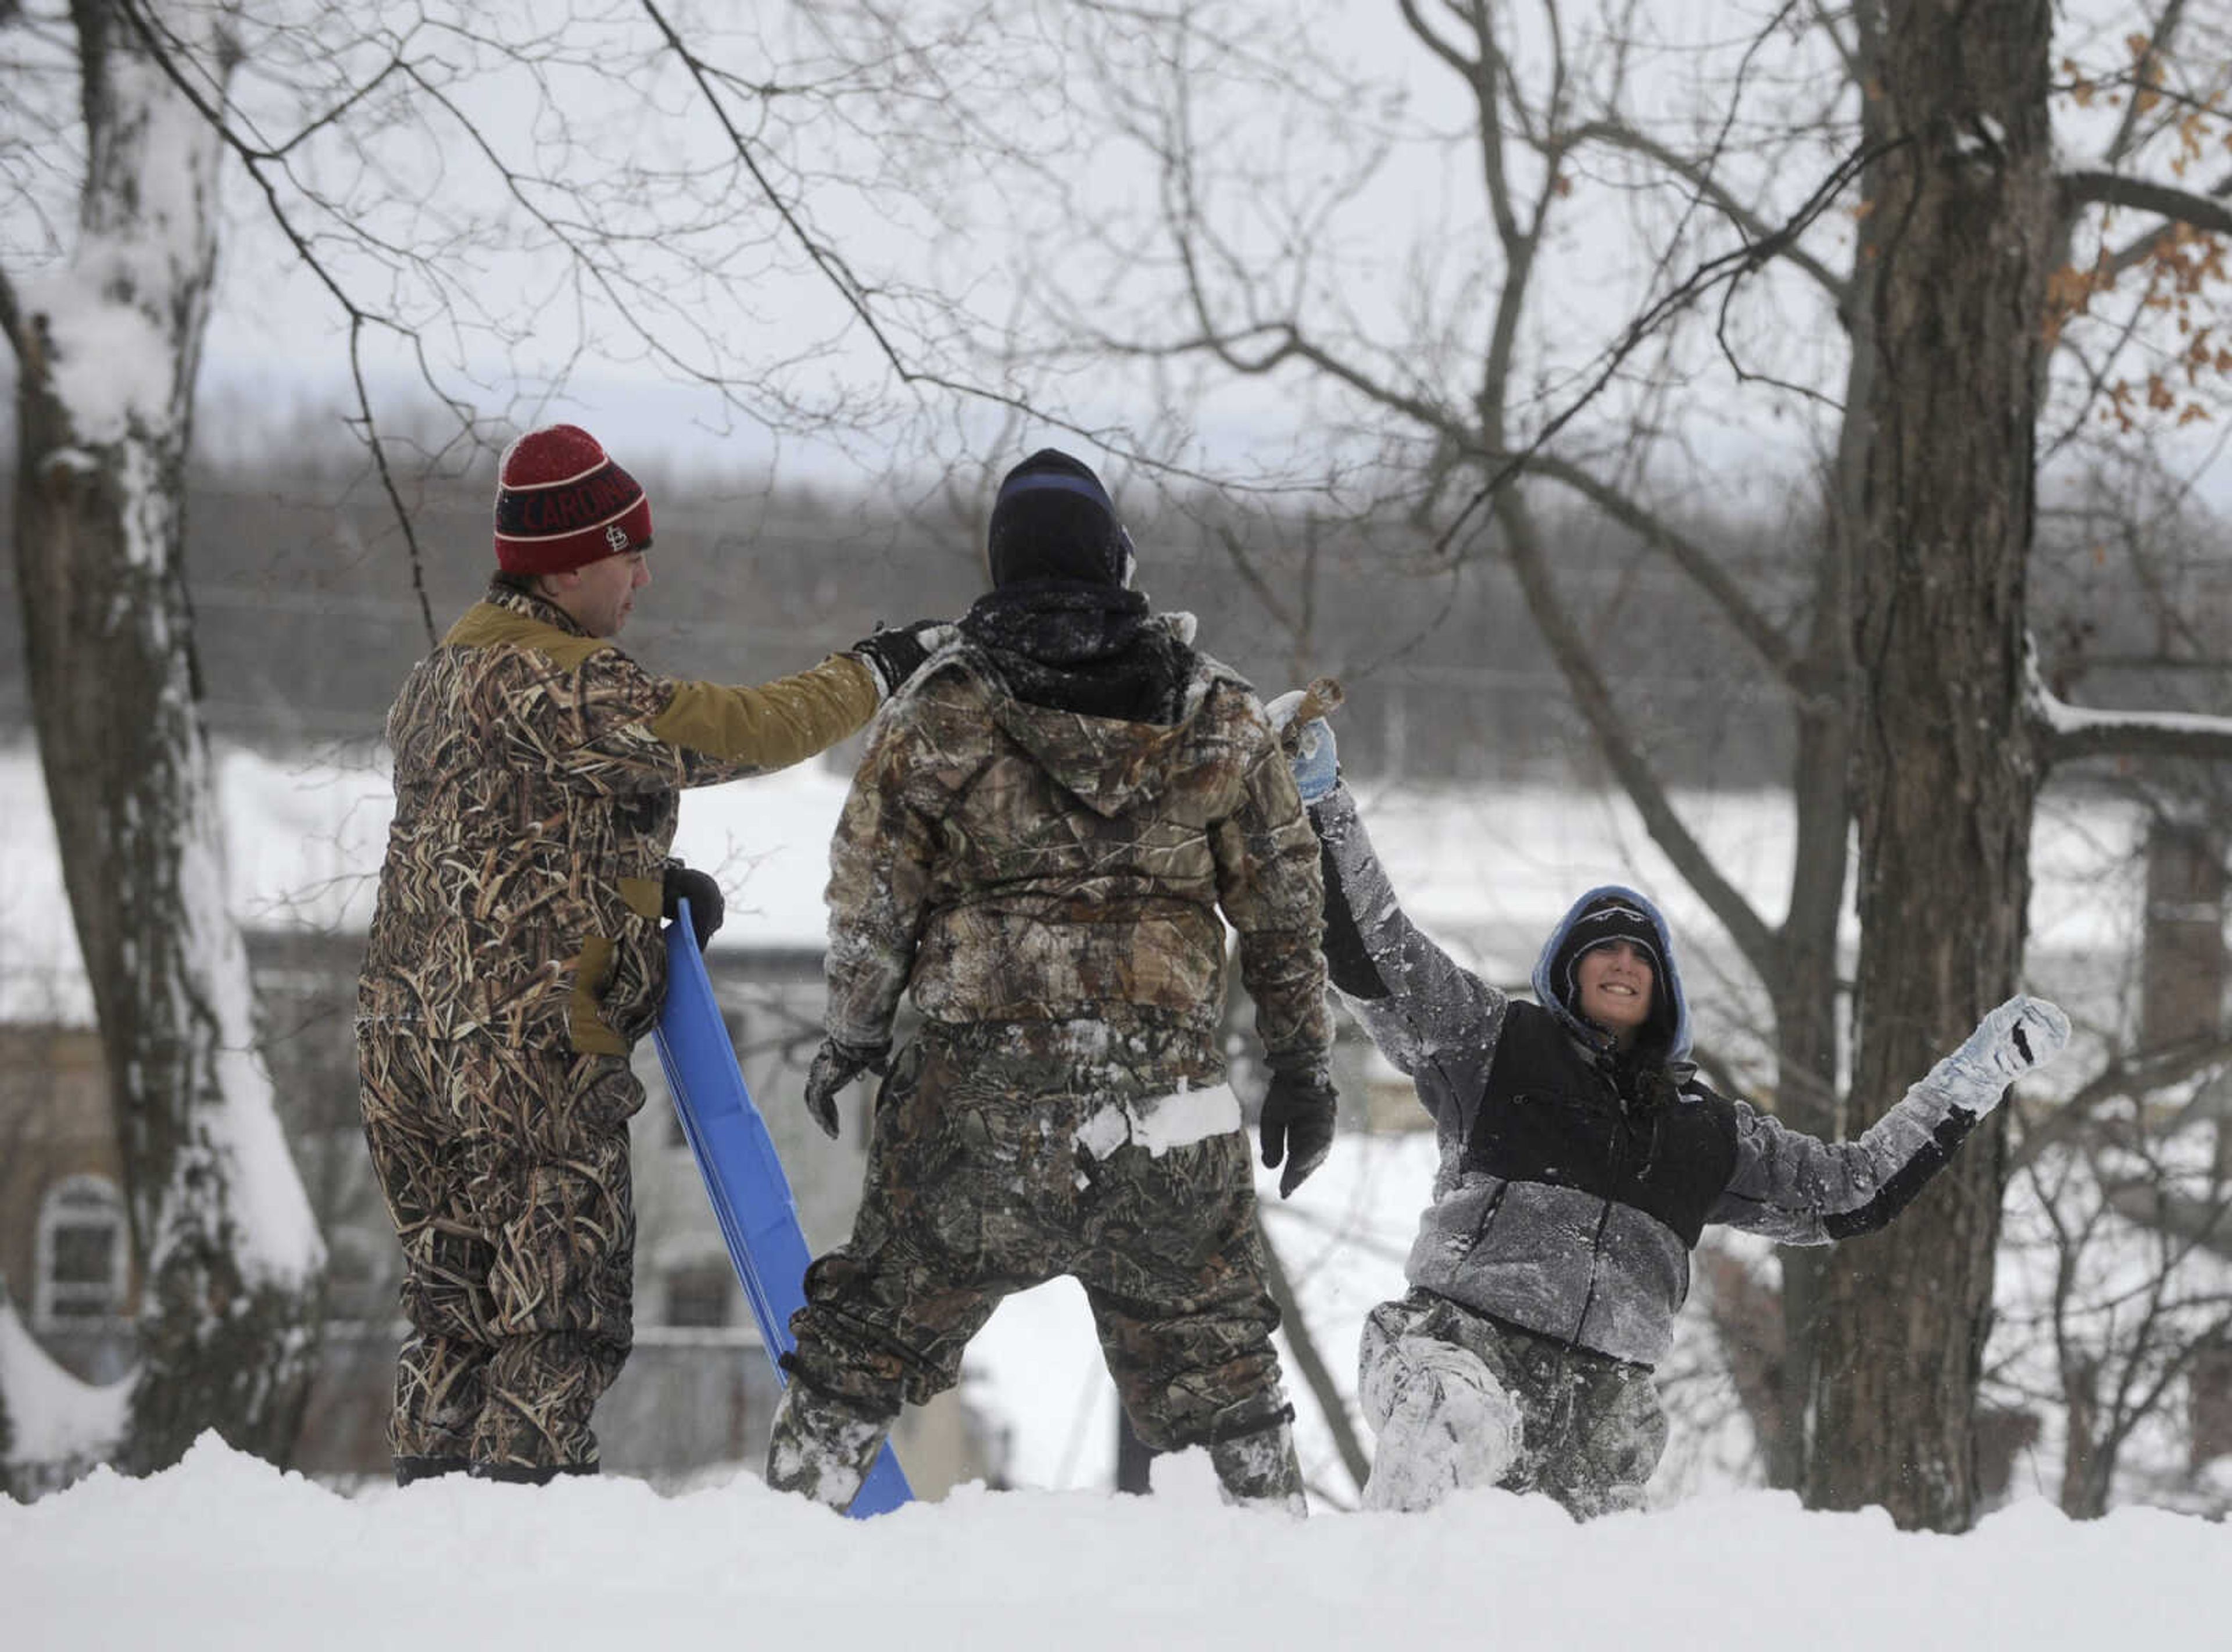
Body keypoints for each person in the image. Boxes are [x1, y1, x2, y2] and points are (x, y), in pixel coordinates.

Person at [1268, 700, 2072, 1518]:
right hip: (1460, 1348)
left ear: (1662, 989)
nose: (1621, 961)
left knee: (1597, 1585)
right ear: (1569, 973)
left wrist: (1972, 1080)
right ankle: (1397, 1601)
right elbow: (1377, 951)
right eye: (1602, 948)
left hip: (1601, 1408)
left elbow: (1854, 1187)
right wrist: (1315, 800)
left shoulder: (1706, 1134)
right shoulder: (1497, 1043)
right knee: (1451, 1425)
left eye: (1638, 953)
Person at [356, 423, 945, 1485]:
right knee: (557, 1322)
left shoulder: (432, 683)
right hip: (525, 1064)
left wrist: (635, 890)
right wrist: (877, 669)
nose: (642, 575)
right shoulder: (565, 685)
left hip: (406, 1057)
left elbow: (496, 852)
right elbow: (745, 726)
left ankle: (428, 1532)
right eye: (629, 553)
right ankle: (510, 1543)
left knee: (453, 1313)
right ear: (568, 561)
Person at [764, 448, 1341, 1514]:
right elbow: (1285, 910)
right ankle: (1274, 1578)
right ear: (1113, 559)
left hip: (974, 1113)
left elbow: (870, 896)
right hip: (1167, 1113)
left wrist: (851, 1035)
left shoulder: (941, 710)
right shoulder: (1221, 713)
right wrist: (1304, 1065)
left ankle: (779, 1550)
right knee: (1218, 1371)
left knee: (866, 1340)